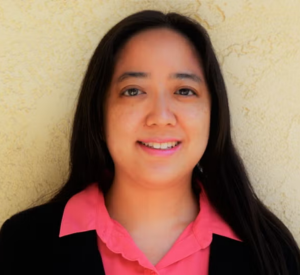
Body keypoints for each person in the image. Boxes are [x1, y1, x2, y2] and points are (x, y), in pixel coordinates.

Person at [0, 10, 299, 275]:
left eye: (184, 90)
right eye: (133, 91)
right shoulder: (22, 244)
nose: (160, 116)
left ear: (214, 114)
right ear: (98, 114)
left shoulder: (271, 251)